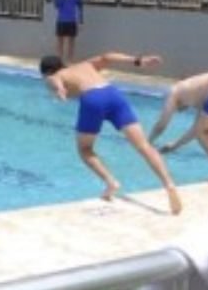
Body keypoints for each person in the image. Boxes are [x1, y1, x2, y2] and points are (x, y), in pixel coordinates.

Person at [39, 52, 183, 214]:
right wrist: (138, 60)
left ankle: (111, 182)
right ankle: (169, 184)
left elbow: (54, 79)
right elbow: (107, 57)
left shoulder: (56, 75)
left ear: (47, 71)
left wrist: (59, 89)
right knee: (144, 145)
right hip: (113, 94)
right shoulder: (85, 64)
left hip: (92, 100)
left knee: (85, 150)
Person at [53, 0, 83, 64]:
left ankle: (70, 61)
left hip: (72, 21)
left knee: (71, 43)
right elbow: (56, 5)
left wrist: (81, 21)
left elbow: (80, 7)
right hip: (61, 20)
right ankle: (59, 62)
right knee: (60, 43)